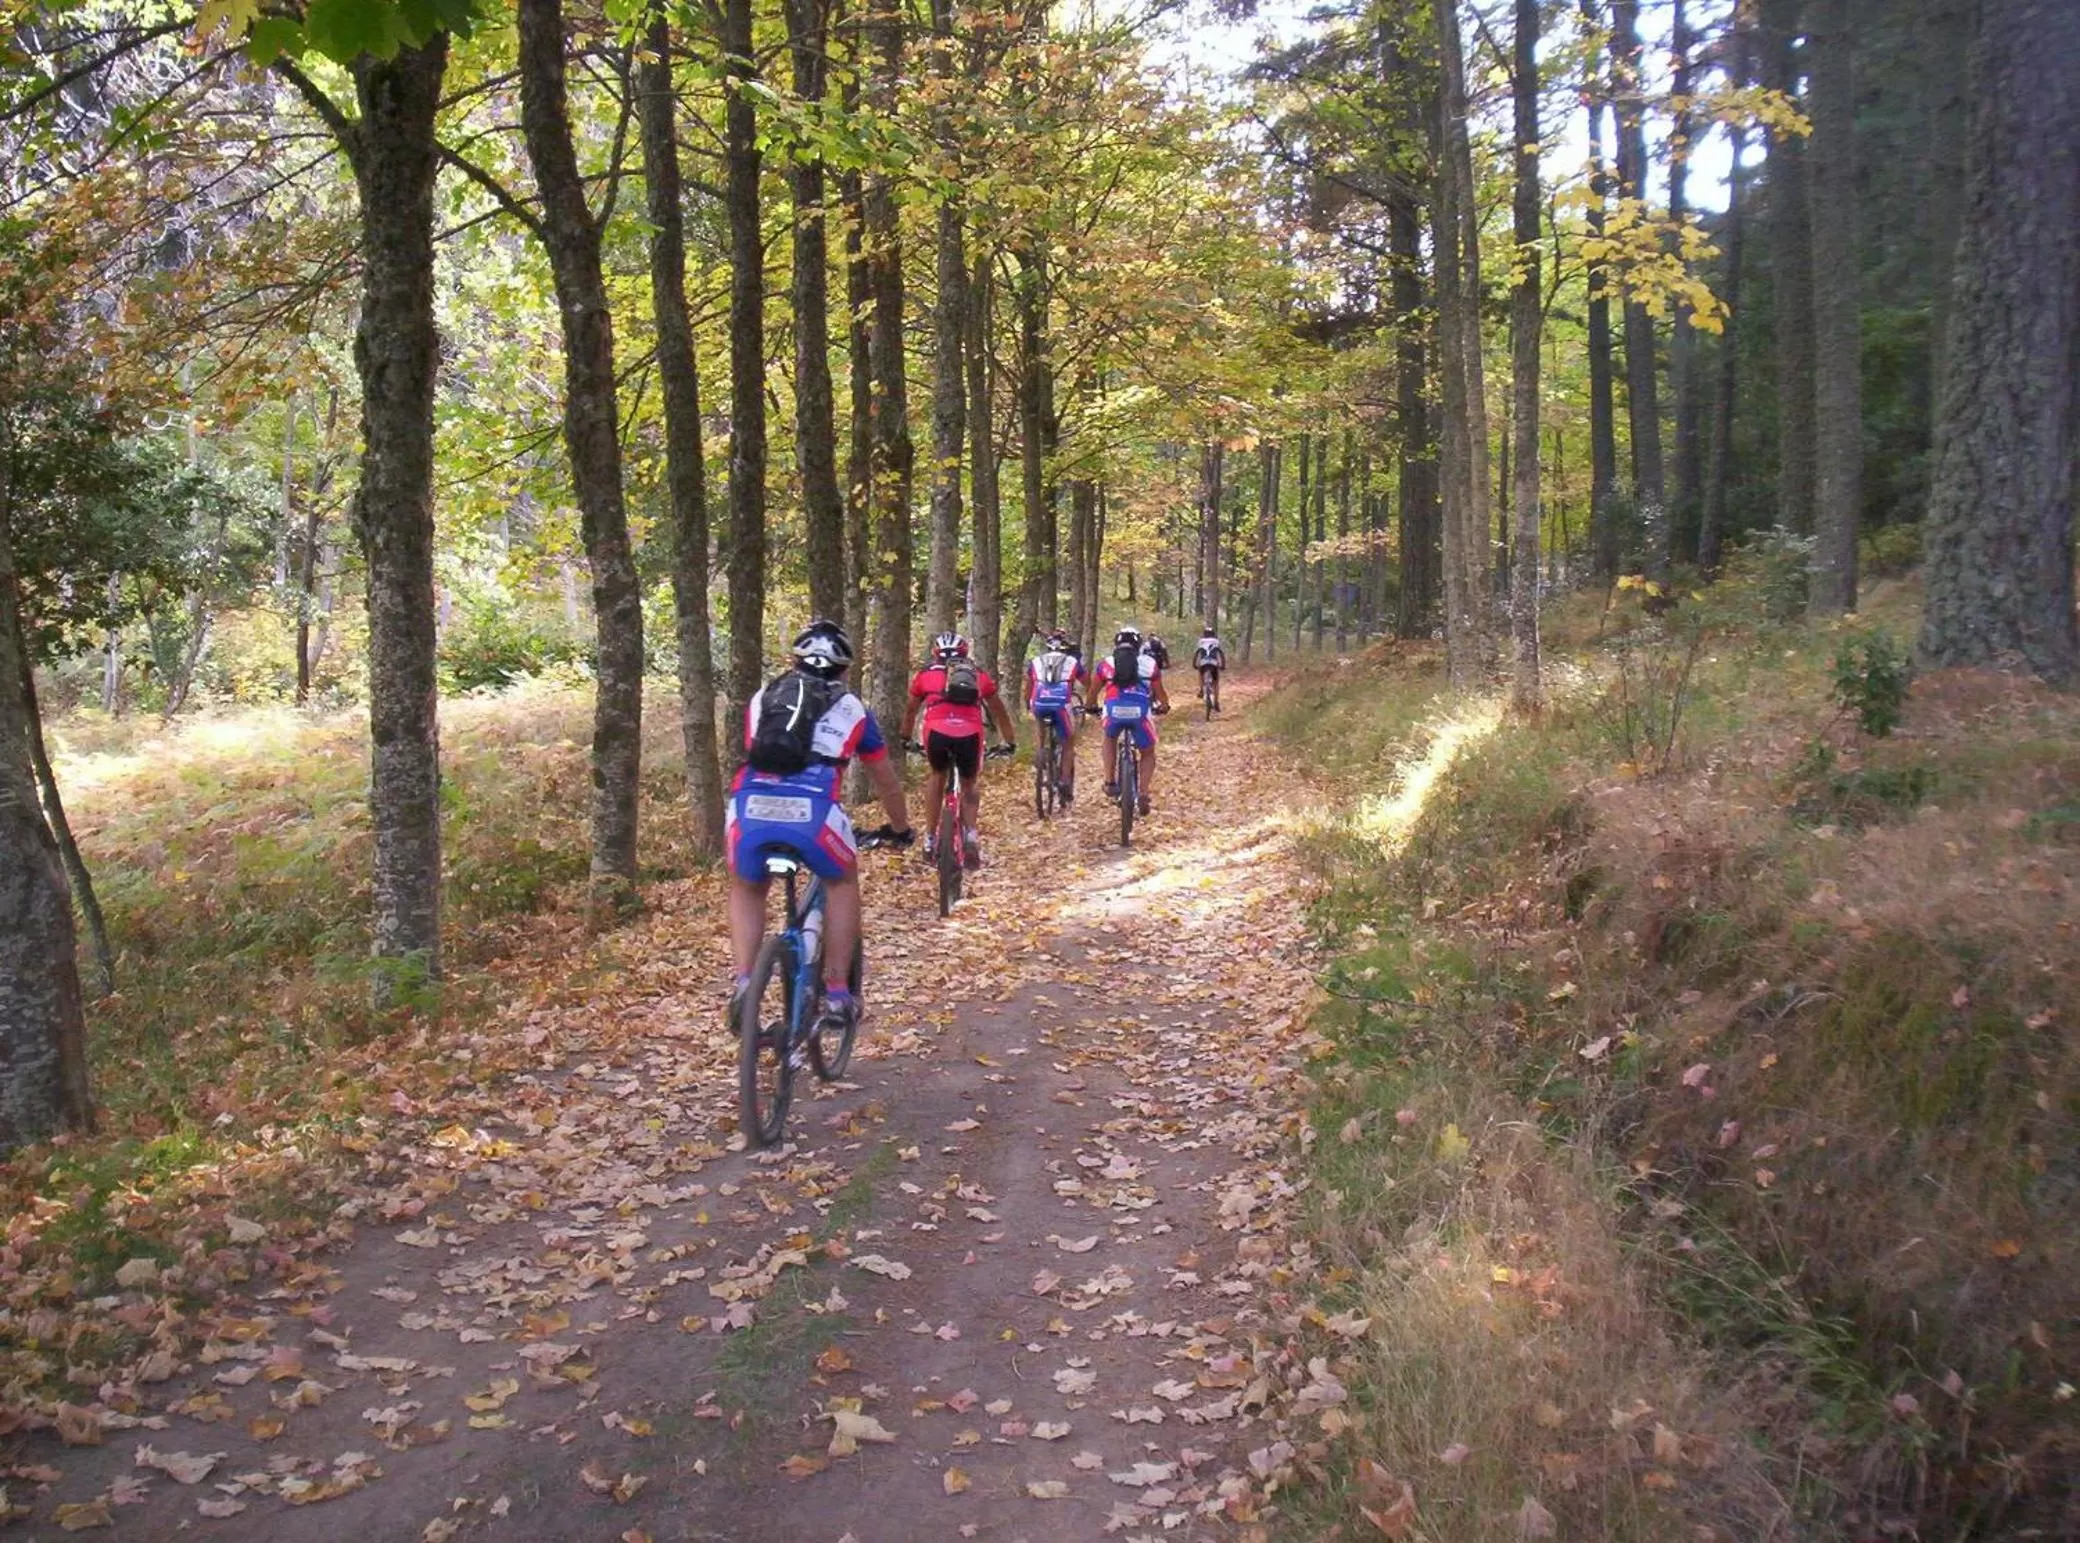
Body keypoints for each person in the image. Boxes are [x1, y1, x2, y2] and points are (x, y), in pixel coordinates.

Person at [727, 619, 911, 1042]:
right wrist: (899, 829)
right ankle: (835, 992)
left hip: (749, 808)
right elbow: (885, 778)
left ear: (793, 662)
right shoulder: (854, 710)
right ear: (845, 670)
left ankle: (743, 984)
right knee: (841, 882)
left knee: (747, 886)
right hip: (813, 812)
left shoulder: (763, 697)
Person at [901, 632, 1018, 869]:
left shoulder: (924, 675)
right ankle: (971, 836)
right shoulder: (979, 676)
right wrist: (1009, 741)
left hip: (936, 733)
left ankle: (930, 838)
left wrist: (905, 738)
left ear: (935, 653)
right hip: (970, 734)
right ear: (964, 653)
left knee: (937, 775)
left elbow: (911, 710)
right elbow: (999, 710)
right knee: (969, 782)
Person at [1086, 623, 1171, 815]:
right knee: (1148, 752)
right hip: (1140, 711)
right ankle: (1143, 792)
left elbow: (1093, 692)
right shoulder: (1150, 664)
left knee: (1109, 738)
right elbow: (1160, 695)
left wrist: (1090, 706)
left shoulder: (1106, 664)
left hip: (1113, 709)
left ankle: (1109, 782)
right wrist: (1164, 706)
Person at [1024, 628, 1087, 805]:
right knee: (1068, 743)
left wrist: (1027, 703)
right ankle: (1065, 781)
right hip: (1061, 704)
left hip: (1039, 702)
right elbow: (1087, 681)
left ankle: (1040, 751)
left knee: (1038, 720)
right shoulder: (1072, 662)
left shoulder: (1035, 661)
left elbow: (1028, 687)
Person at [1193, 626, 1227, 712]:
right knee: (1216, 683)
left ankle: (1201, 689)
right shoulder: (1216, 641)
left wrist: (1195, 664)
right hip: (1213, 663)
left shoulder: (1201, 641)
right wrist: (1223, 664)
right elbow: (1220, 653)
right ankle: (1216, 703)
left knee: (1200, 674)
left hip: (1203, 662)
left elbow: (1198, 652)